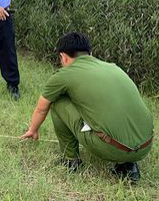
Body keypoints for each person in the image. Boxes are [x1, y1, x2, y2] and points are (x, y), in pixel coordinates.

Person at [21, 33, 153, 183]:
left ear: (63, 56)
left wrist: (33, 130)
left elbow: (41, 108)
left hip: (112, 148)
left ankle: (70, 160)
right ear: (90, 53)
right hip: (145, 146)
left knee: (57, 101)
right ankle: (128, 166)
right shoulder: (113, 67)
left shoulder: (64, 75)